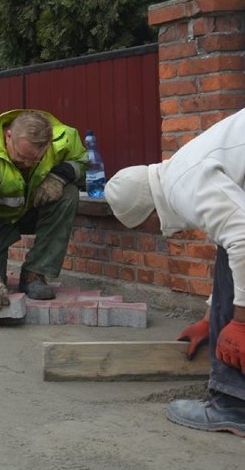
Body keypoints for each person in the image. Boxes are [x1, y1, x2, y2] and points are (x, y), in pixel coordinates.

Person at [104, 108, 245, 438]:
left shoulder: (185, 183)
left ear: (149, 213)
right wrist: (210, 319)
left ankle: (232, 403)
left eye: (147, 225)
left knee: (234, 250)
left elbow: (242, 239)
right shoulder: (184, 167)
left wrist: (239, 321)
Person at [0, 110, 87, 311]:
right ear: (8, 136)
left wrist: (60, 175)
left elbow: (85, 163)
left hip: (31, 209)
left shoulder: (62, 139)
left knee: (68, 193)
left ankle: (35, 273)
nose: (28, 164)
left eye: (35, 160)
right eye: (22, 158)